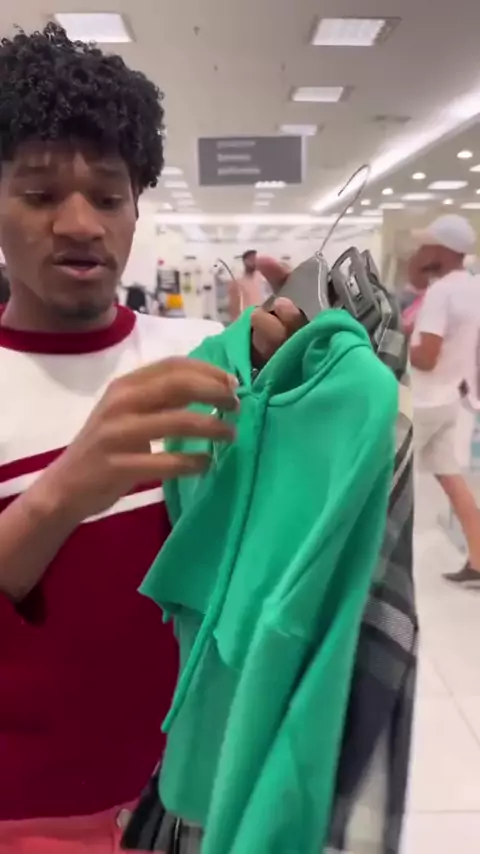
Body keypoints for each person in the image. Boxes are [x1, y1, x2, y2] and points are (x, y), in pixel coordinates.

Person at [0, 23, 303, 853]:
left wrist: (304, 388)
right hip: (30, 809)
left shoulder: (201, 356)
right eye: (38, 194)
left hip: (199, 792)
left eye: (108, 197)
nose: (79, 223)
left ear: (137, 207)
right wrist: (62, 494)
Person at [409, 214, 480, 586]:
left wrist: (401, 342)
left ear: (441, 249)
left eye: (427, 245)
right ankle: (479, 559)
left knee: (380, 478)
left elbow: (426, 357)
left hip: (423, 402)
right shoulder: (471, 287)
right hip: (450, 397)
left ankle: (365, 567)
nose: (420, 251)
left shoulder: (441, 293)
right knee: (451, 479)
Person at [228, 249, 269, 321]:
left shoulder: (261, 278)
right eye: (251, 260)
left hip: (260, 316)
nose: (254, 262)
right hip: (245, 318)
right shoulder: (237, 281)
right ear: (245, 261)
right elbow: (233, 305)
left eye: (255, 260)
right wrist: (235, 322)